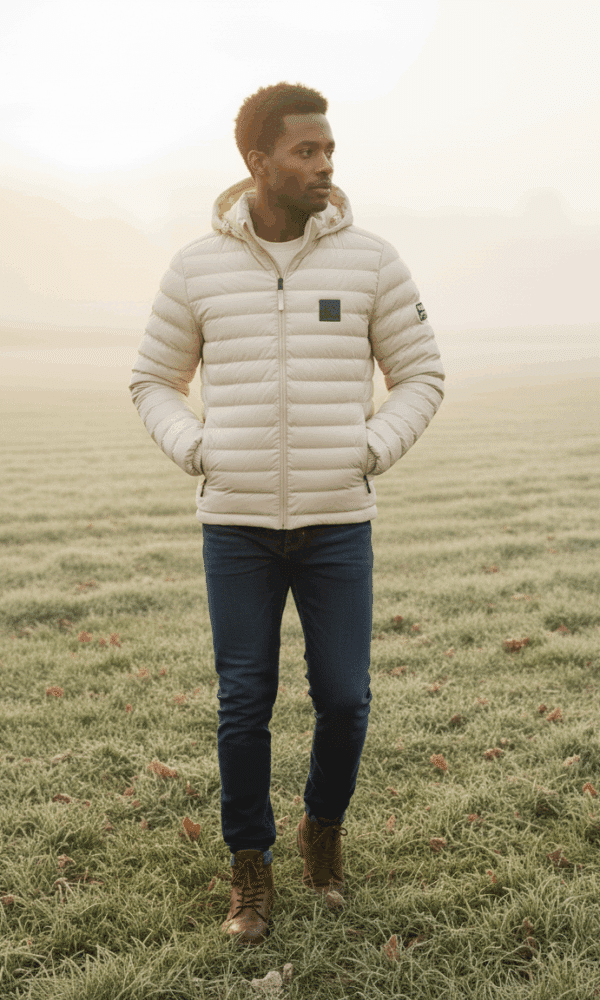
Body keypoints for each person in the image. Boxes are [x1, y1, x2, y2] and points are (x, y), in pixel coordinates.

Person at [129, 81, 445, 945]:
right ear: (257, 161)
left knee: (345, 699)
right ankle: (250, 868)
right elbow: (152, 380)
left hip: (339, 519)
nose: (324, 165)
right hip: (235, 527)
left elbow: (423, 374)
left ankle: (323, 827)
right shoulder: (197, 267)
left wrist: (371, 448)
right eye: (305, 151)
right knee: (245, 700)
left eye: (329, 151)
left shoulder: (373, 261)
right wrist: (198, 449)